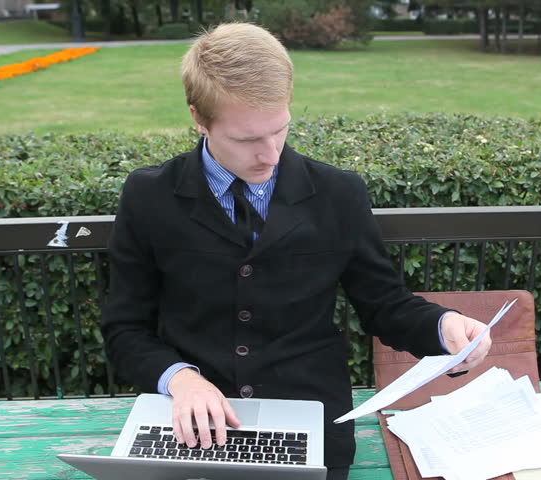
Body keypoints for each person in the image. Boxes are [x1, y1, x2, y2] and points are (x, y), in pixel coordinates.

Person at [101, 22, 492, 480]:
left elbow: (384, 305)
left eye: (280, 130)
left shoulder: (338, 193)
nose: (269, 154)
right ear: (199, 118)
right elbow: (125, 328)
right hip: (194, 425)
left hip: (313, 421)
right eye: (246, 139)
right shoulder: (150, 196)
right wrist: (180, 379)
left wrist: (444, 327)